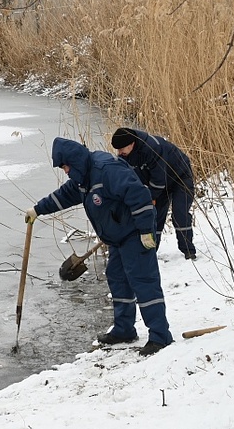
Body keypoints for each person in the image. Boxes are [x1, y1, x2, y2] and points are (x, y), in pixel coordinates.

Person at [27, 137, 174, 356]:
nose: (65, 171)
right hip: (118, 237)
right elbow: (65, 195)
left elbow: (140, 197)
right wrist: (38, 210)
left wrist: (146, 232)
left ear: (74, 160)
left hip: (135, 233)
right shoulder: (83, 177)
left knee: (143, 281)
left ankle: (160, 336)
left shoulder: (107, 169)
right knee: (117, 278)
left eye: (65, 166)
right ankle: (124, 330)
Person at [110, 127, 197, 260]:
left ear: (132, 144)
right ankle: (150, 253)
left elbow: (159, 179)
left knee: (180, 214)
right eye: (118, 150)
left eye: (122, 149)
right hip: (159, 184)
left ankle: (188, 251)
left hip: (180, 178)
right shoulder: (125, 156)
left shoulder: (152, 148)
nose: (119, 152)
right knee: (153, 217)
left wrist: (150, 197)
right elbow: (128, 179)